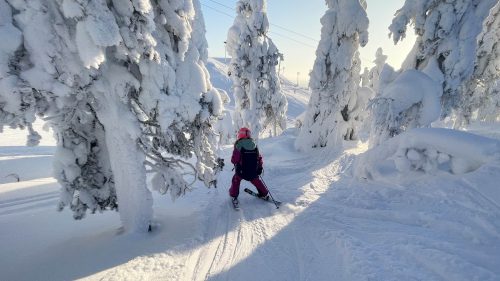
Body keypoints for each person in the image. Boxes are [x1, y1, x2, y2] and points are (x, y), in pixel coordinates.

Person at [229, 127, 269, 205]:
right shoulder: (254, 145)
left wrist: (233, 160)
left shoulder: (238, 145)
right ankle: (264, 193)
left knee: (236, 180)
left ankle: (233, 195)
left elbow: (234, 160)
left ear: (240, 135)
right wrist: (260, 167)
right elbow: (259, 158)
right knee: (256, 180)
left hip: (241, 172)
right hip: (253, 171)